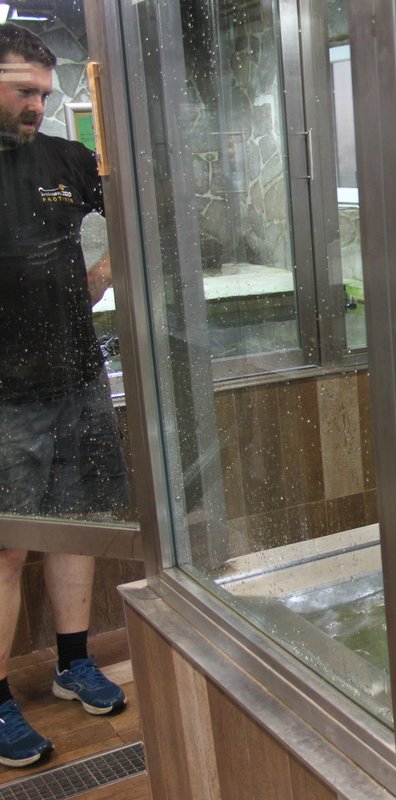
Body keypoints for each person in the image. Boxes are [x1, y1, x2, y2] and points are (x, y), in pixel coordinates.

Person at [0, 23, 129, 769]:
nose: (38, 107)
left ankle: (74, 661)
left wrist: (101, 276)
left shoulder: (66, 158)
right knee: (8, 548)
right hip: (5, 397)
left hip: (77, 377)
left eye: (45, 93)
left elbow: (139, 221)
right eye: (25, 92)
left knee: (76, 526)